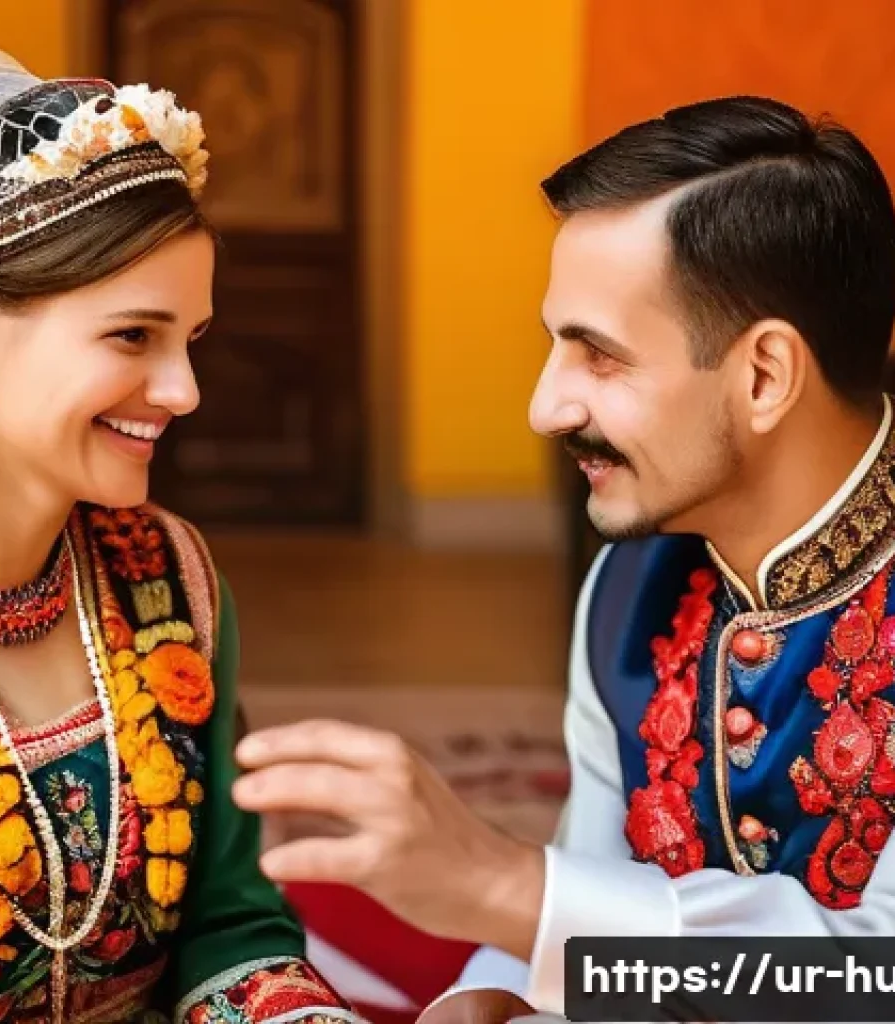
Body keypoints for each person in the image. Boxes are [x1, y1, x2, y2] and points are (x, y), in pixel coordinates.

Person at [231, 95, 895, 1020]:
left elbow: (873, 982)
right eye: (556, 346)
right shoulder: (633, 590)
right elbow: (597, 885)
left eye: (600, 357)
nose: (547, 408)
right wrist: (494, 993)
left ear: (763, 376)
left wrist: (504, 886)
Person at [0, 38, 363, 1024]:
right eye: (132, 336)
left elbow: (231, 926)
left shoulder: (167, 574)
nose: (182, 392)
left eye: (192, 340)